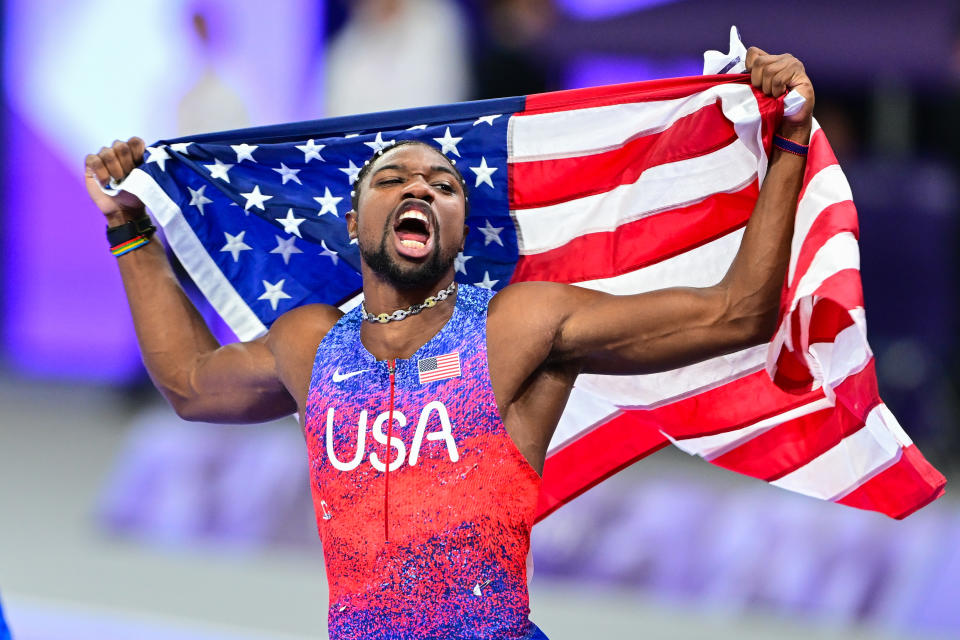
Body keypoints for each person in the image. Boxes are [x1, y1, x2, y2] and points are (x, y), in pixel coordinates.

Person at [84, 48, 813, 640]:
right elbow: (187, 382)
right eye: (393, 179)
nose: (420, 190)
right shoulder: (309, 343)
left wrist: (787, 145)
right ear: (351, 224)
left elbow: (734, 316)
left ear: (461, 230)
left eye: (443, 186)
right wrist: (130, 231)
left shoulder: (518, 328)